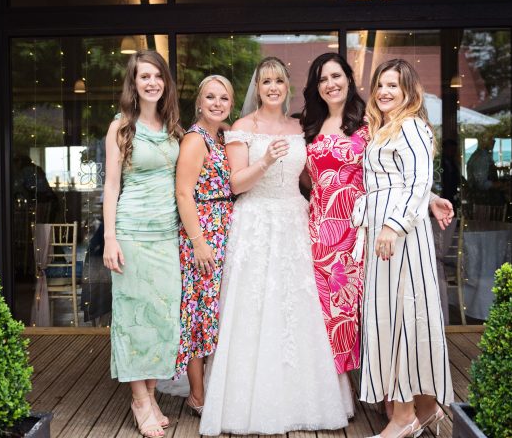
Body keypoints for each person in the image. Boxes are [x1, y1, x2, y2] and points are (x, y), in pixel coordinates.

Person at [199, 57, 353, 436]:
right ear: (258, 87)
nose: (272, 87)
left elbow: (310, 175)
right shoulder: (241, 127)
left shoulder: (301, 126)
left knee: (298, 308)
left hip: (295, 221)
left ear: (287, 87)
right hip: (254, 222)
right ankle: (247, 401)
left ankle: (305, 397)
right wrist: (265, 160)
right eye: (265, 81)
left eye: (279, 81)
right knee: (253, 307)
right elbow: (235, 185)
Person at [300, 53, 455, 376]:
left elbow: (397, 172)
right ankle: (336, 390)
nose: (330, 84)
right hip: (320, 228)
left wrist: (430, 198)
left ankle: (390, 393)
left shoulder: (370, 121)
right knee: (327, 309)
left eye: (336, 76)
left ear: (349, 79)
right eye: (323, 79)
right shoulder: (308, 126)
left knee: (372, 307)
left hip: (365, 228)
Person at [352, 59, 453, 438]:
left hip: (399, 235)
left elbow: (417, 179)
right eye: (380, 85)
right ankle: (426, 408)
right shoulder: (383, 129)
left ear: (409, 91)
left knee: (403, 317)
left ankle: (403, 415)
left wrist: (394, 226)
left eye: (393, 86)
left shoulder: (411, 126)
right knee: (391, 317)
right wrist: (430, 200)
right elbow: (408, 181)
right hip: (385, 230)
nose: (384, 92)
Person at [102, 50, 182, 438]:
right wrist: (110, 239)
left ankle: (151, 393)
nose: (151, 82)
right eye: (143, 76)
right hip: (132, 234)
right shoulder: (121, 127)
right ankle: (138, 400)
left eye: (157, 76)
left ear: (165, 83)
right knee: (134, 319)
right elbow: (111, 186)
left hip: (167, 236)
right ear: (133, 84)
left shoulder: (172, 127)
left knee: (162, 318)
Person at [174, 75, 234, 415]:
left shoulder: (222, 137)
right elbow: (184, 192)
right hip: (203, 234)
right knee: (199, 314)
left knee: (216, 314)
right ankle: (196, 395)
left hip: (224, 229)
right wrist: (198, 242)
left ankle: (212, 389)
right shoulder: (195, 140)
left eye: (223, 98)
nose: (216, 103)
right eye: (210, 97)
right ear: (199, 102)